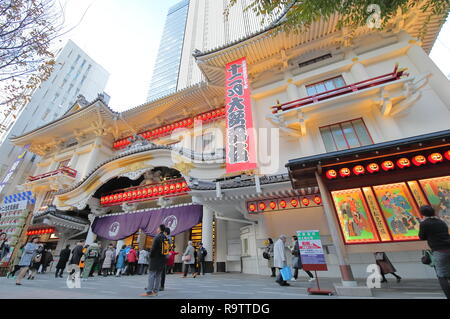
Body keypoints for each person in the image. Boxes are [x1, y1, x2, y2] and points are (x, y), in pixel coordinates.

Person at [419, 205, 450, 299]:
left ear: (423, 214)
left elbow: (422, 237)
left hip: (440, 250)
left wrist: (422, 223)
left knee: (441, 275)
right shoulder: (441, 221)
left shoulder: (424, 224)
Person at [141, 224, 166, 297]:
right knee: (158, 275)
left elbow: (153, 249)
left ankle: (149, 291)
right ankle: (155, 291)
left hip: (155, 259)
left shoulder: (157, 237)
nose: (156, 229)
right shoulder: (165, 237)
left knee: (151, 275)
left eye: (157, 228)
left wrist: (150, 256)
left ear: (160, 229)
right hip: (162, 259)